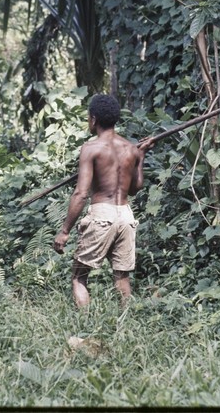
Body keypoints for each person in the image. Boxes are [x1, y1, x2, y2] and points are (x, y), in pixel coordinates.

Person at [53, 94, 154, 307]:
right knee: (121, 276)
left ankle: (85, 326)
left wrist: (65, 230)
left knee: (79, 276)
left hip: (102, 214)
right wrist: (140, 157)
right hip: (126, 215)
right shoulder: (131, 149)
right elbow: (135, 189)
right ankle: (126, 328)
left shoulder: (91, 148)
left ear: (94, 119)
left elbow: (81, 193)